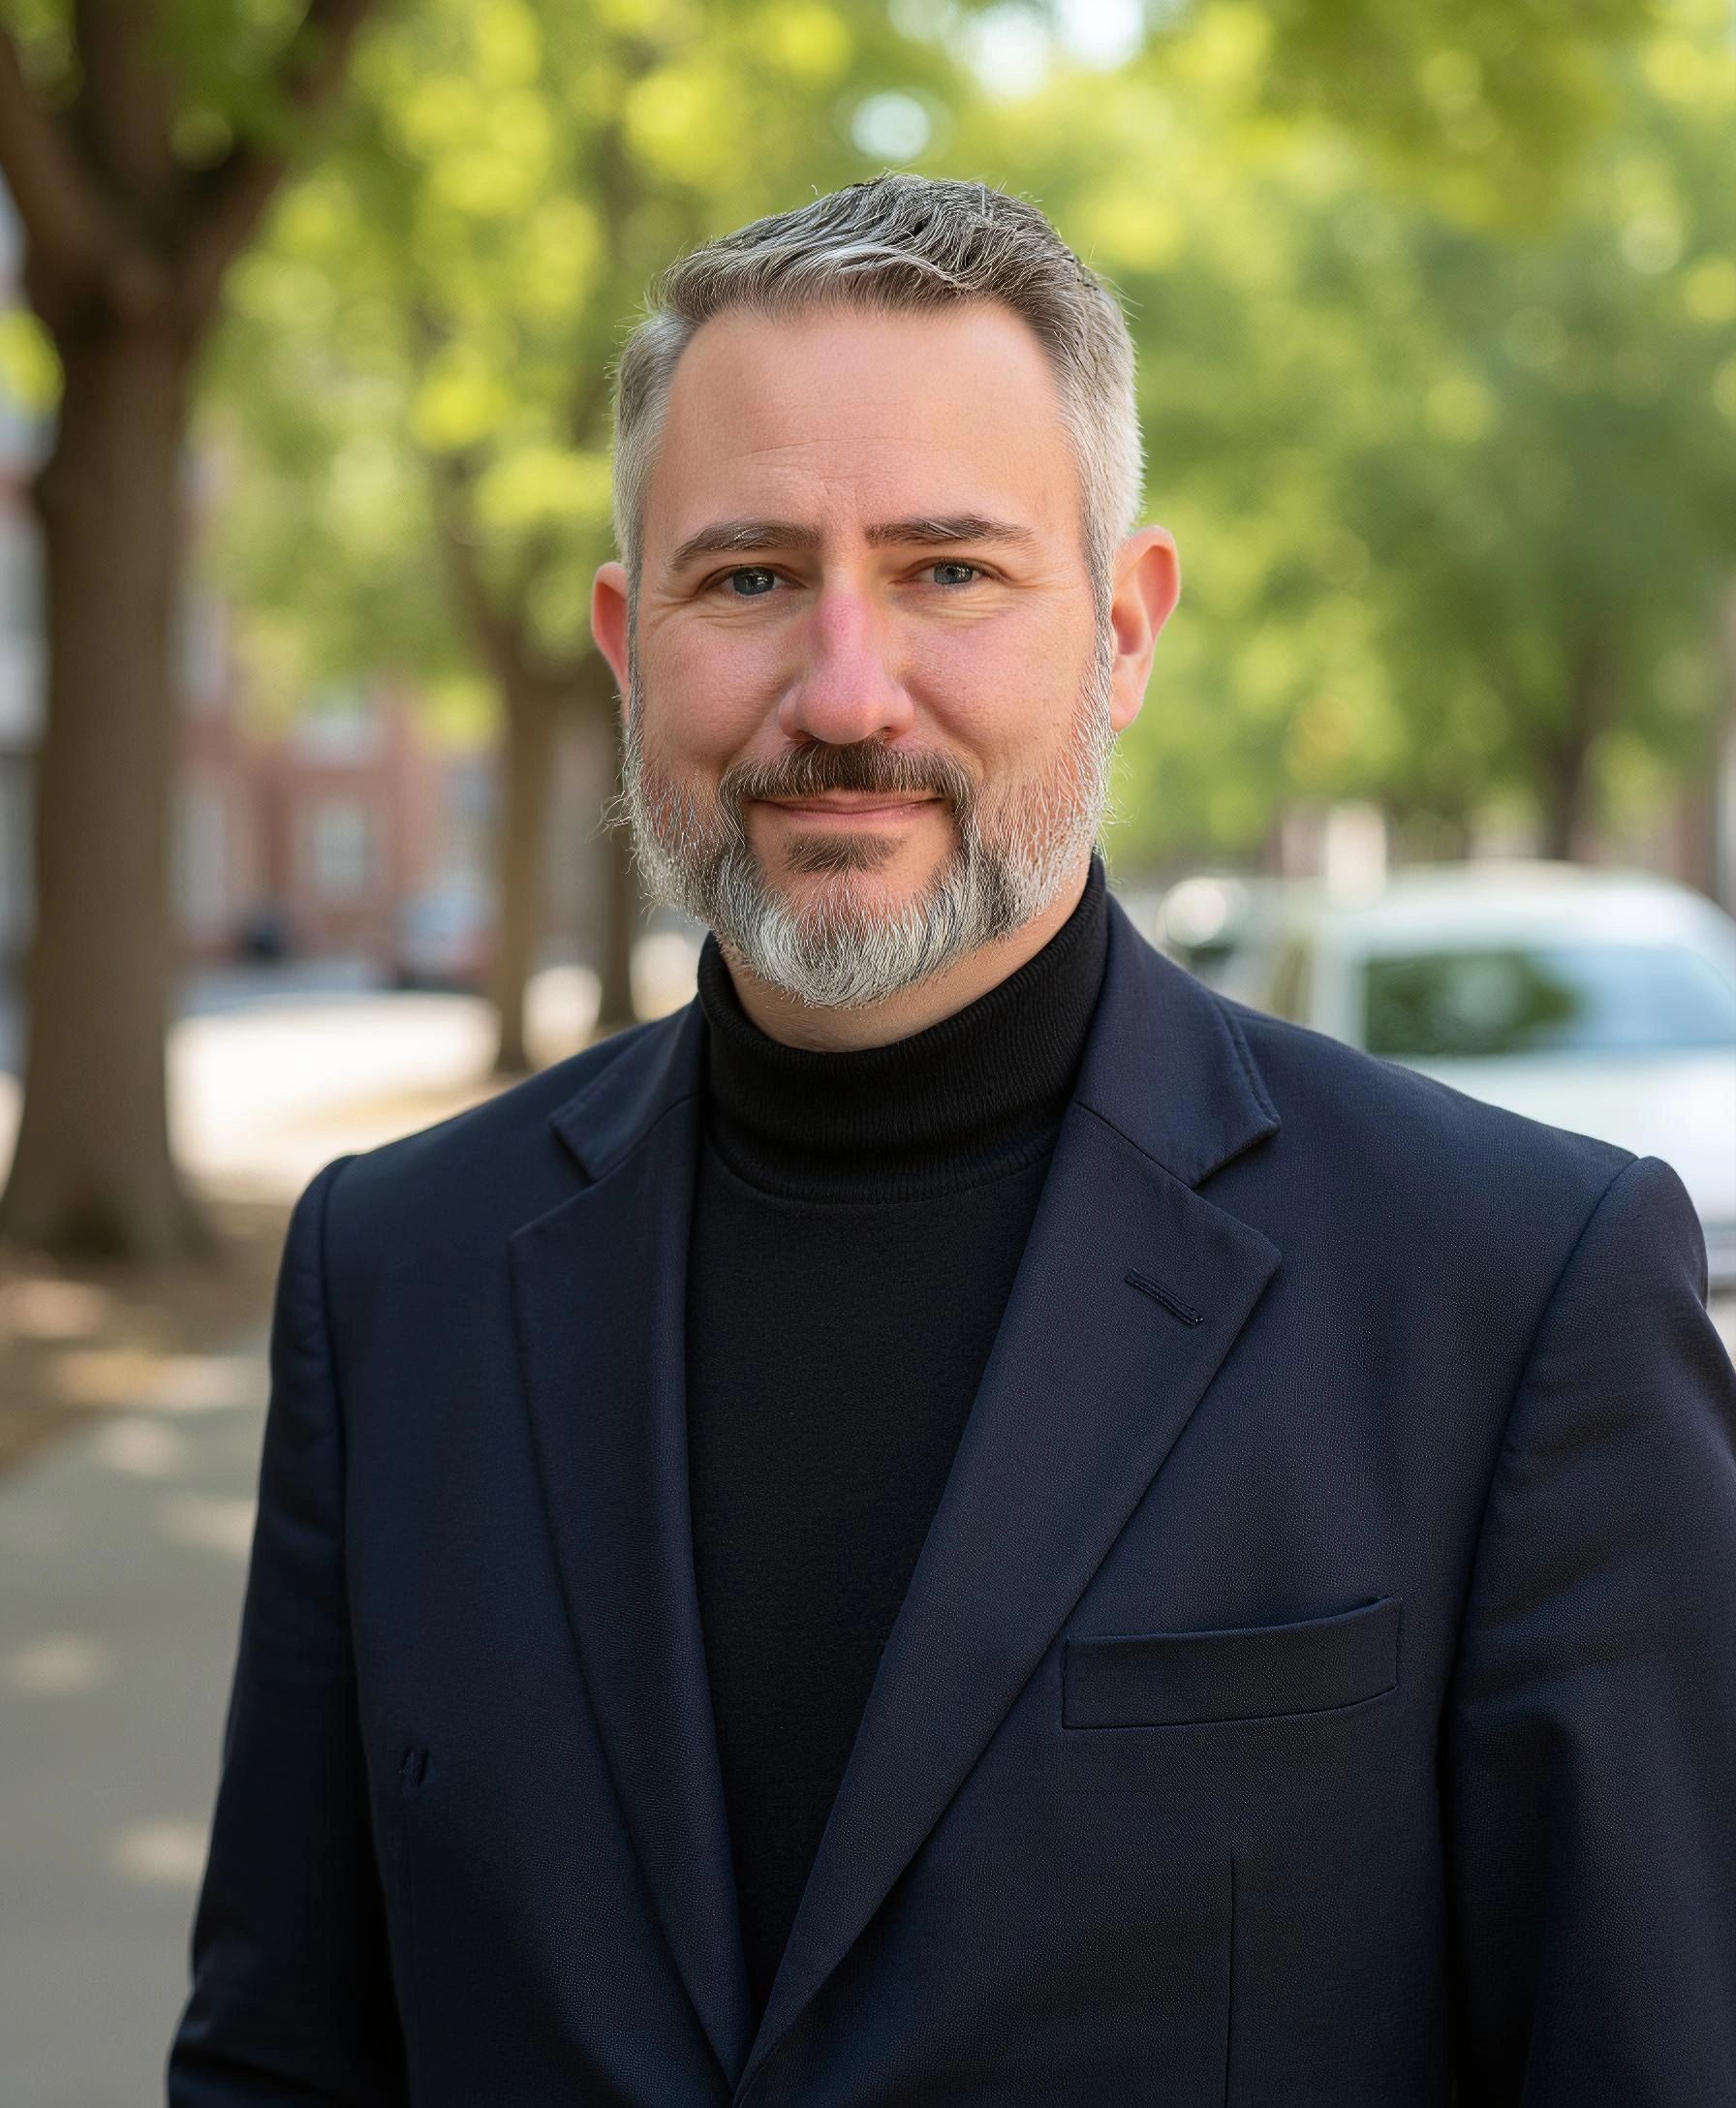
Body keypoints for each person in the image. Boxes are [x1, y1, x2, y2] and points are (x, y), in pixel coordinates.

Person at [169, 175, 1736, 2106]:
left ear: (1126, 626)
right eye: (745, 576)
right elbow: (281, 2055)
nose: (840, 693)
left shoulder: (1511, 1291)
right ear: (623, 640)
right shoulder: (390, 1272)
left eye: (947, 571)